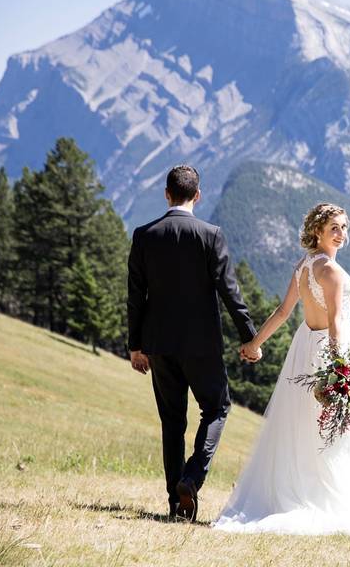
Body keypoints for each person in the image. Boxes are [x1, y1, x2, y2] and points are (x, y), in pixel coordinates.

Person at [212, 202, 350, 543]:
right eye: (335, 227)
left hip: (304, 347)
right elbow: (334, 323)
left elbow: (284, 311)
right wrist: (340, 370)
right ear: (317, 230)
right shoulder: (329, 270)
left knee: (306, 427)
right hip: (329, 351)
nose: (342, 233)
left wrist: (255, 343)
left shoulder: (303, 265)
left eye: (345, 227)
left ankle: (305, 489)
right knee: (335, 430)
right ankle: (328, 498)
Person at [127, 164, 261, 522]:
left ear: (167, 194)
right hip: (202, 345)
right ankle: (191, 478)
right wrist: (251, 337)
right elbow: (230, 293)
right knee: (216, 408)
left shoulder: (144, 235)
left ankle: (175, 504)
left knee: (172, 422)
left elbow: (135, 296)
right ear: (197, 196)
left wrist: (135, 345)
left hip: (158, 343)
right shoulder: (210, 234)